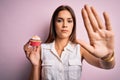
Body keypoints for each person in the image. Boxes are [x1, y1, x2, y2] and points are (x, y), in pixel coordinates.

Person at [24, 4, 115, 80]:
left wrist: (107, 56)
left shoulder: (80, 49)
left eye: (69, 21)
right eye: (59, 20)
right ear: (53, 24)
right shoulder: (42, 49)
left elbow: (106, 66)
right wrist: (35, 65)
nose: (65, 25)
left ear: (73, 25)